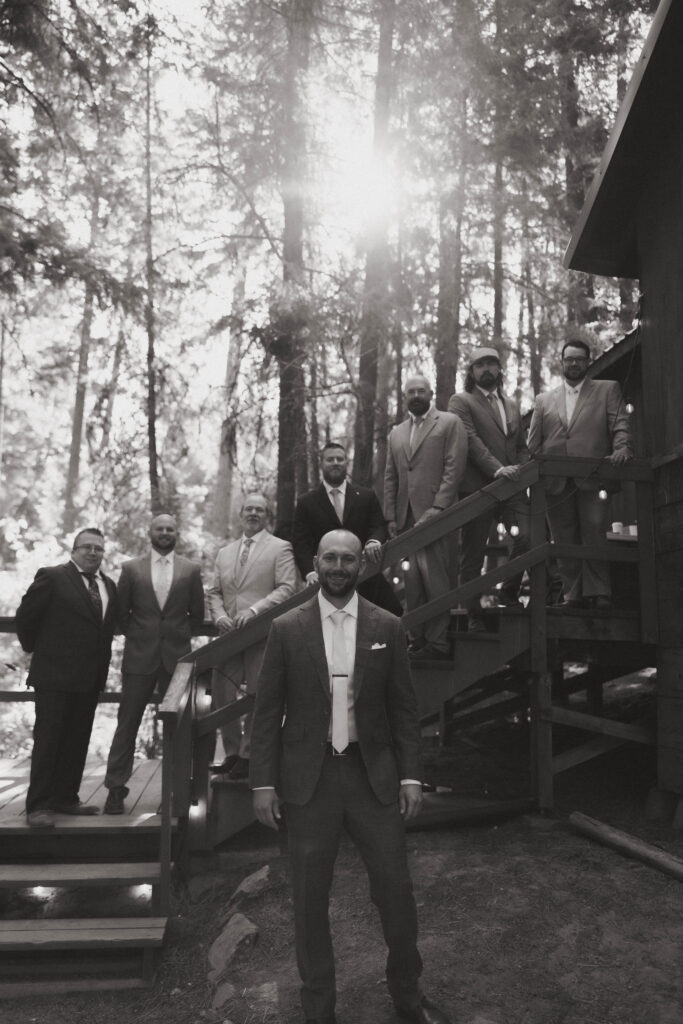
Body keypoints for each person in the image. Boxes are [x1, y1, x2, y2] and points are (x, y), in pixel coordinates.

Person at [250, 529, 452, 1024]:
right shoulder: (286, 629)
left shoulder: (388, 625)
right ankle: (319, 1009)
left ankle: (407, 994)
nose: (339, 567)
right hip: (309, 781)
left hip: (372, 777)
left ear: (361, 565)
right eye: (330, 558)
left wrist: (411, 776)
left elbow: (404, 708)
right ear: (316, 563)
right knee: (309, 900)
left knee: (396, 891)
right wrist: (263, 783)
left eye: (348, 559)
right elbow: (267, 711)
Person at [15, 527, 117, 829]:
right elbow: (26, 618)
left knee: (77, 739)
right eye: (87, 547)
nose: (93, 552)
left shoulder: (109, 585)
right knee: (48, 741)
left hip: (90, 678)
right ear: (74, 550)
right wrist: (40, 651)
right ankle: (38, 805)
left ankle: (66, 798)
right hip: (54, 676)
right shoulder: (53, 577)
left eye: (98, 548)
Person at [103, 513, 204, 814]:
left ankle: (175, 792)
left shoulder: (190, 569)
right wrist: (139, 635)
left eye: (170, 529)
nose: (164, 532)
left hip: (177, 658)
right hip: (139, 657)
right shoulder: (131, 568)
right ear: (150, 532)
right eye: (159, 528)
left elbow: (197, 615)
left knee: (179, 727)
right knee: (127, 723)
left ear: (177, 534)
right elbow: (121, 613)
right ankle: (115, 789)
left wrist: (177, 635)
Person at [527, 334, 633, 608]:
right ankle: (572, 595)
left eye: (579, 359)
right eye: (569, 359)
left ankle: (600, 593)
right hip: (555, 481)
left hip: (593, 476)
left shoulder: (607, 390)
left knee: (594, 533)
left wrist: (622, 448)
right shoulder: (544, 400)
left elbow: (620, 424)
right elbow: (533, 444)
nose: (574, 364)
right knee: (563, 538)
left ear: (588, 362)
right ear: (561, 362)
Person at [207, 493, 296, 780]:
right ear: (241, 514)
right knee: (222, 692)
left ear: (267, 516)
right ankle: (232, 753)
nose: (253, 513)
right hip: (229, 636)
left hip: (261, 634)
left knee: (259, 693)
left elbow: (286, 588)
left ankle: (249, 754)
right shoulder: (225, 553)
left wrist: (255, 611)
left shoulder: (280, 548)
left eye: (259, 509)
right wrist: (219, 616)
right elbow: (214, 592)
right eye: (249, 509)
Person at [384, 373, 467, 659]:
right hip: (406, 519)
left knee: (437, 581)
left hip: (437, 517)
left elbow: (454, 468)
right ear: (404, 397)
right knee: (413, 583)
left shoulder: (449, 423)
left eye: (421, 391)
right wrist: (391, 517)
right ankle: (416, 638)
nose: (416, 396)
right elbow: (391, 476)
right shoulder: (396, 433)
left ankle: (438, 642)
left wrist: (439, 507)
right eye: (411, 392)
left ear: (431, 394)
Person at [448, 347, 530, 631]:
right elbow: (470, 440)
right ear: (471, 372)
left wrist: (523, 469)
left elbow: (520, 446)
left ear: (499, 369)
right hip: (477, 489)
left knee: (527, 537)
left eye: (491, 364)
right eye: (479, 365)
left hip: (512, 488)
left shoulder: (512, 405)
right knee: (473, 554)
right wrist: (497, 469)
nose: (486, 369)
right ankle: (473, 614)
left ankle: (509, 592)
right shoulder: (461, 401)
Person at [292, 441, 402, 615]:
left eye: (340, 459)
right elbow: (301, 542)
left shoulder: (366, 496)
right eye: (330, 459)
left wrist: (374, 541)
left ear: (346, 463)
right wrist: (310, 572)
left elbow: (379, 526)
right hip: (327, 579)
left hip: (365, 576)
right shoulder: (306, 502)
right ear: (321, 464)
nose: (335, 463)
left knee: (393, 612)